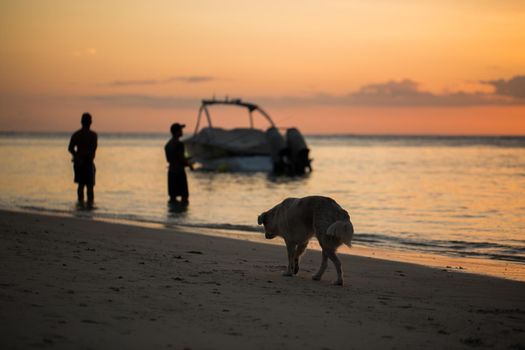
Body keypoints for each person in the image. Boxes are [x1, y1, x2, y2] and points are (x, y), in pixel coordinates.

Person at [68, 113, 98, 206]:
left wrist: (77, 156)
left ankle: (80, 204)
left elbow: (70, 148)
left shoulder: (77, 134)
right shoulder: (93, 135)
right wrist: (82, 156)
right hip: (87, 163)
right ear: (90, 122)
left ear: (81, 122)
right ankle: (89, 206)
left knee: (81, 185)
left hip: (79, 163)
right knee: (89, 187)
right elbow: (93, 149)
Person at [165, 123, 193, 203]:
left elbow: (169, 160)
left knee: (172, 198)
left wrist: (185, 160)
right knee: (184, 198)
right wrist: (189, 165)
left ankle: (173, 215)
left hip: (171, 173)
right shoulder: (179, 144)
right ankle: (182, 215)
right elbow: (181, 159)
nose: (182, 131)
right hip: (179, 173)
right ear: (176, 132)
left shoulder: (167, 145)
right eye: (180, 130)